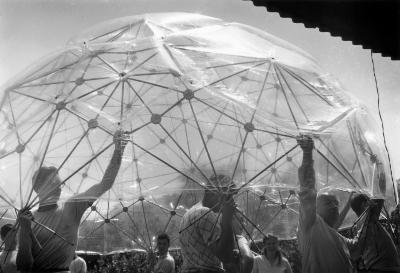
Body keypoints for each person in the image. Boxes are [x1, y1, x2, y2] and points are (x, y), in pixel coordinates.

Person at [16, 130, 128, 273]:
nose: (59, 188)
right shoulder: (28, 219)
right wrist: (25, 231)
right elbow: (23, 266)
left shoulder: (71, 207)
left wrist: (119, 149)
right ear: (37, 188)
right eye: (52, 183)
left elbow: (105, 184)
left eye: (59, 184)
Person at [297, 135, 356, 273]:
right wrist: (307, 153)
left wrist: (369, 213)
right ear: (315, 209)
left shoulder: (338, 237)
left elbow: (358, 246)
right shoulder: (311, 224)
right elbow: (307, 188)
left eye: (336, 203)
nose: (335, 206)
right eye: (328, 202)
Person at [179, 174, 238, 273]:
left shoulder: (189, 213)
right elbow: (226, 255)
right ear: (213, 192)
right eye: (228, 195)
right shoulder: (205, 213)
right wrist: (227, 217)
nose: (231, 200)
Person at [349, 191, 400, 272]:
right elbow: (380, 195)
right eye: (368, 200)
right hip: (385, 268)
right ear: (364, 205)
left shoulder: (356, 226)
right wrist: (381, 178)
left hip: (375, 267)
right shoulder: (368, 219)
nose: (371, 202)